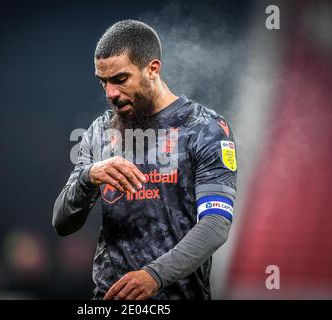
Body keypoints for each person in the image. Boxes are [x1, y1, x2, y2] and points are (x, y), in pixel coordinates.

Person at [53, 20, 237, 300]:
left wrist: (155, 275)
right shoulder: (100, 132)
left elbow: (215, 224)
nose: (110, 94)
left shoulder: (205, 128)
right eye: (103, 82)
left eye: (120, 79)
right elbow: (62, 223)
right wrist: (88, 176)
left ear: (152, 69)